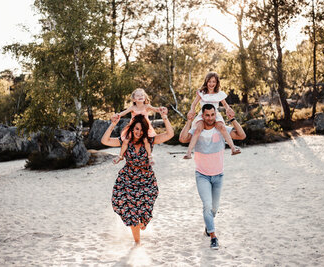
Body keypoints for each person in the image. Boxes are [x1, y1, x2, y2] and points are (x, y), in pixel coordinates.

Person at [101, 109, 174, 245]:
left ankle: (143, 224)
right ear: (132, 128)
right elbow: (104, 140)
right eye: (136, 129)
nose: (139, 132)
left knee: (144, 210)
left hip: (146, 179)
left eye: (141, 130)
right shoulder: (125, 141)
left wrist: (164, 117)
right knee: (129, 209)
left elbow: (170, 134)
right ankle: (137, 243)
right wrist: (113, 124)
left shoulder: (150, 141)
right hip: (127, 178)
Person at [179, 103, 246, 249]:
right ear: (202, 116)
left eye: (212, 115)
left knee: (214, 209)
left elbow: (241, 135)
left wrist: (232, 119)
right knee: (207, 206)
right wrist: (189, 120)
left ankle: (208, 226)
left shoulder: (222, 130)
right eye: (207, 115)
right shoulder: (198, 130)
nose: (210, 118)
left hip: (218, 176)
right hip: (202, 175)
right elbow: (182, 138)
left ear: (215, 114)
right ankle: (213, 237)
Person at [184, 72, 241, 159]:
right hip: (203, 114)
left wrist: (228, 109)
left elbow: (225, 105)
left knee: (222, 127)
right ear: (206, 82)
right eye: (209, 81)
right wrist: (192, 110)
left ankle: (233, 149)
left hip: (215, 115)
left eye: (214, 81)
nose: (211, 84)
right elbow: (194, 104)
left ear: (217, 82)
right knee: (198, 129)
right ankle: (188, 153)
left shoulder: (219, 94)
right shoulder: (202, 93)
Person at [112, 88, 165, 166]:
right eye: (138, 95)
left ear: (145, 97)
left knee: (146, 140)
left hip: (144, 127)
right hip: (134, 128)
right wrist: (118, 115)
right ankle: (120, 156)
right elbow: (124, 112)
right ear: (134, 99)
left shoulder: (147, 106)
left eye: (142, 95)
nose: (140, 96)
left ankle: (150, 156)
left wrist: (160, 109)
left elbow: (155, 109)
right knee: (126, 140)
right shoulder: (133, 107)